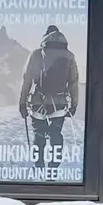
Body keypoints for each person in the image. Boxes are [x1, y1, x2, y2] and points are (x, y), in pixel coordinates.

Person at [19, 25, 79, 177]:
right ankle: (53, 169)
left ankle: (38, 167)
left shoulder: (36, 54)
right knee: (55, 134)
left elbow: (27, 79)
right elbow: (73, 81)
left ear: (45, 37)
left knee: (38, 135)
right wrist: (74, 104)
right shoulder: (69, 55)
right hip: (59, 103)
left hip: (38, 102)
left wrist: (22, 102)